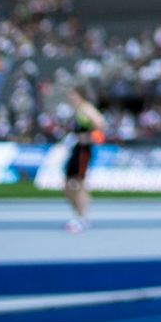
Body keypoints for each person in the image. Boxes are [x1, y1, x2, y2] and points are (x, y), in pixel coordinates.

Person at [62, 89, 104, 233]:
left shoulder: (86, 108)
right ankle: (79, 214)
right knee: (67, 185)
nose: (70, 97)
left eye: (73, 94)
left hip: (83, 149)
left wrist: (90, 138)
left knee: (79, 182)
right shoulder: (77, 110)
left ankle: (82, 218)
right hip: (76, 148)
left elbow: (100, 124)